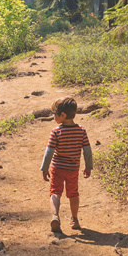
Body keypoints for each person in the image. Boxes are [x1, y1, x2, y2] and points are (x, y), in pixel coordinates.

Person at [40, 96, 93, 232]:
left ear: (62, 115)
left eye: (55, 115)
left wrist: (45, 169)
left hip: (57, 168)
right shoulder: (81, 131)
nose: (54, 118)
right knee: (73, 194)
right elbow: (87, 150)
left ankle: (55, 216)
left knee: (55, 192)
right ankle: (74, 219)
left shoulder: (56, 132)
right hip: (73, 169)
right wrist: (88, 166)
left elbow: (49, 152)